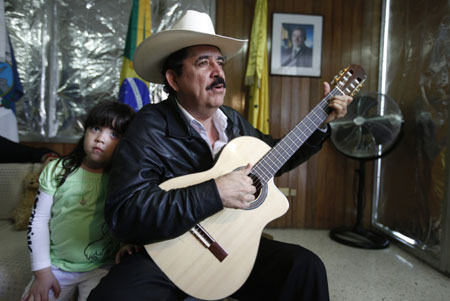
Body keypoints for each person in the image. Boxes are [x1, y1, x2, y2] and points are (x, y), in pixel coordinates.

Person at [88, 10, 352, 301]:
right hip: (168, 251)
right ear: (174, 79)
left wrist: (319, 125)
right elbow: (126, 214)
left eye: (220, 62)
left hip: (233, 246)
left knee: (305, 267)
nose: (218, 72)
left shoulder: (233, 121)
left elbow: (274, 157)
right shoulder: (148, 126)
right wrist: (215, 192)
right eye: (203, 63)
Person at [22, 101, 136, 301]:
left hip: (102, 267)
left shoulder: (123, 178)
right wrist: (42, 273)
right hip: (57, 266)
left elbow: (129, 216)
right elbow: (38, 221)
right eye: (95, 129)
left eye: (114, 135)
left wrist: (127, 244)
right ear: (85, 132)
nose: (100, 139)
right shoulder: (57, 169)